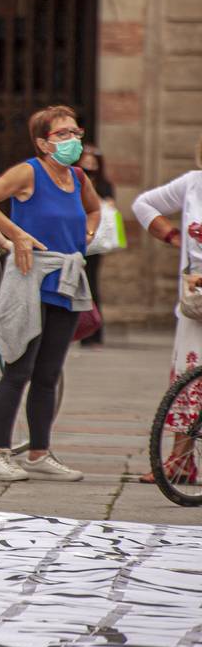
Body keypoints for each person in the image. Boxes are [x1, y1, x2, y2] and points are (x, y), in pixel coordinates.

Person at [0, 105, 97, 482]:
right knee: (19, 368)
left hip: (67, 279)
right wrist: (16, 234)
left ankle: (39, 452)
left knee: (49, 372)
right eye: (62, 134)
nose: (73, 139)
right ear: (43, 142)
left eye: (76, 132)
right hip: (31, 276)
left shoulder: (77, 176)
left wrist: (88, 235)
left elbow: (93, 211)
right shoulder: (29, 172)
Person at [129, 136, 202, 485]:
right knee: (189, 376)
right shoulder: (192, 184)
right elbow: (143, 204)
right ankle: (181, 459)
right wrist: (172, 236)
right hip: (197, 301)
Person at [79, 144, 116, 347]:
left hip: (95, 242)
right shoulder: (75, 179)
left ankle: (94, 332)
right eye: (86, 161)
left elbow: (109, 205)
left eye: (93, 162)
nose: (89, 165)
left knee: (91, 285)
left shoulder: (103, 184)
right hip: (78, 239)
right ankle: (80, 331)